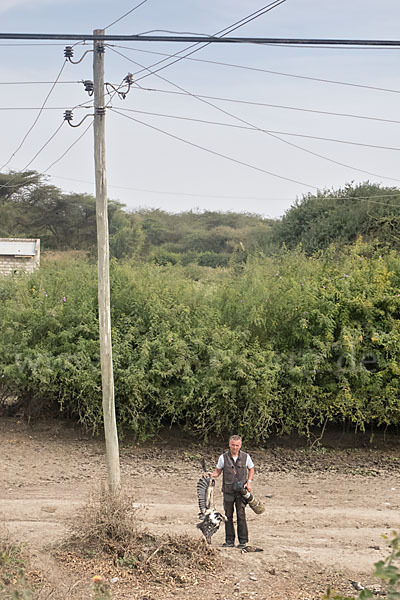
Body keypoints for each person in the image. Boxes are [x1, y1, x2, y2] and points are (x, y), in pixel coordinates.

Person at [209, 434, 255, 548]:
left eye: (237, 445)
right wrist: (211, 475)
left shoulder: (246, 457)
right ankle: (229, 541)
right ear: (229, 444)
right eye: (233, 445)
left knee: (241, 515)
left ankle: (243, 541)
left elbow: (251, 469)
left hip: (241, 492)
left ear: (240, 445)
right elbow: (217, 472)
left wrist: (249, 481)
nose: (235, 447)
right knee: (228, 516)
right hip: (228, 491)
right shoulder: (222, 457)